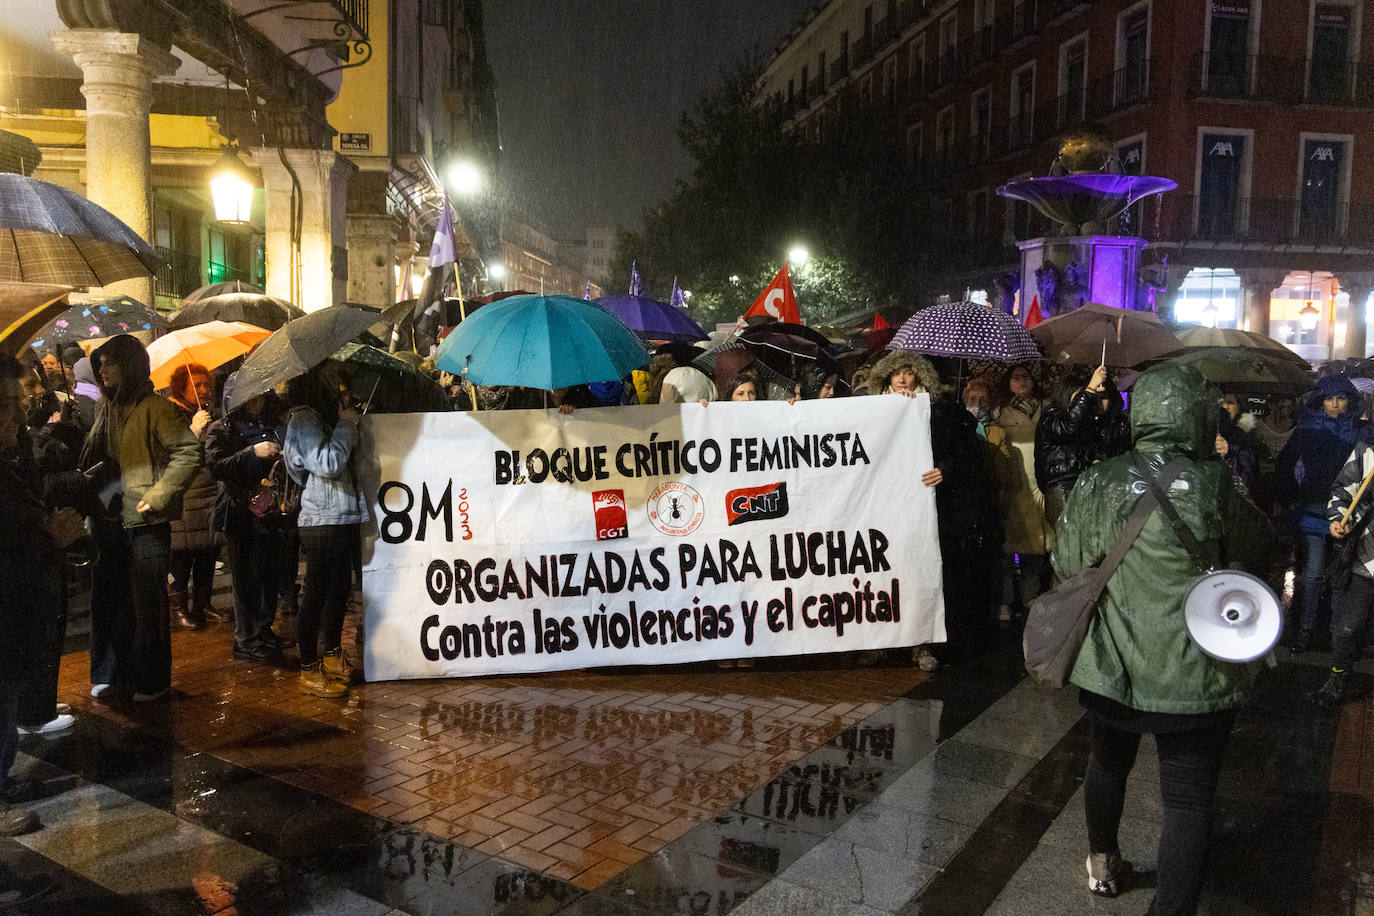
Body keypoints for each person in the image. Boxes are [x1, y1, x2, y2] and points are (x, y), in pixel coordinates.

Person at [1055, 363, 1270, 915]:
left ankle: (1102, 863)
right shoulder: (1215, 480)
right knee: (1188, 799)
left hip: (1114, 665)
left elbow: (1069, 561)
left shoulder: (1100, 479)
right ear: (1197, 414)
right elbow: (1261, 544)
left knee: (1106, 763)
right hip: (1198, 668)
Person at [80, 335, 201, 703]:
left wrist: (158, 495)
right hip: (107, 518)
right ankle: (112, 673)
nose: (102, 371)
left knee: (147, 606)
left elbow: (188, 452)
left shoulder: (154, 407)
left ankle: (152, 681)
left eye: (110, 363)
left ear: (129, 365)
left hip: (143, 522)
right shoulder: (106, 409)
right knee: (110, 599)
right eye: (100, 364)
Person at [0, 356, 84, 841]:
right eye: (4, 404)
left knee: (6, 707)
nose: (16, 412)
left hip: (17, 616)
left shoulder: (13, 460)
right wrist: (48, 538)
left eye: (18, 401)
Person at [283, 367, 368, 698]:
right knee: (317, 593)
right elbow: (328, 463)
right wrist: (346, 425)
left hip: (344, 514)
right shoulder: (304, 420)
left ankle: (332, 655)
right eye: (331, 378)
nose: (338, 383)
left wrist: (349, 421)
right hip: (321, 520)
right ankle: (307, 667)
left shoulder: (324, 418)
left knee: (338, 590)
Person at [204, 378, 295, 663]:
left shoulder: (276, 422)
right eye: (249, 395)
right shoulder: (223, 428)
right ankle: (247, 638)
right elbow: (216, 466)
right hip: (241, 512)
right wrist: (251, 454)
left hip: (273, 511)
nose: (256, 401)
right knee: (246, 578)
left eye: (260, 394)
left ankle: (263, 631)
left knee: (270, 575)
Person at [1275, 374, 1365, 652]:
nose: (1335, 404)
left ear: (1350, 400)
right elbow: (1285, 464)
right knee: (1312, 574)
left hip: (1349, 513)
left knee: (1341, 576)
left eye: (1341, 398)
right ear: (1321, 400)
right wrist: (1290, 498)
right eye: (1330, 398)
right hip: (1312, 510)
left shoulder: (1362, 431)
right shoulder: (1306, 429)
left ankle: (1337, 634)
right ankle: (1305, 629)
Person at [166, 363, 229, 631]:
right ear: (181, 388)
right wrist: (192, 431)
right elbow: (168, 456)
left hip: (208, 491)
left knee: (207, 548)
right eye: (196, 385)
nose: (204, 390)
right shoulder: (170, 414)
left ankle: (203, 602)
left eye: (206, 385)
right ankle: (178, 607)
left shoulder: (205, 412)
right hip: (185, 496)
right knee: (183, 553)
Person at [991, 364, 1052, 620]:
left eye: (1026, 377)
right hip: (1013, 485)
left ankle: (1030, 597)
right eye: (1016, 377)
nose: (1022, 381)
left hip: (1040, 484)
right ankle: (1005, 601)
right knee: (1006, 548)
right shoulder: (998, 411)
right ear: (1008, 382)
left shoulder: (1046, 407)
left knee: (1035, 548)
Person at [1035, 365, 1131, 527]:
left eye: (1104, 397)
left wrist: (1101, 460)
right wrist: (1090, 388)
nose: (1097, 402)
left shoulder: (1106, 422)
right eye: (1092, 396)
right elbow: (1068, 427)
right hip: (1065, 488)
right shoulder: (1052, 415)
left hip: (1098, 489)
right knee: (1071, 545)